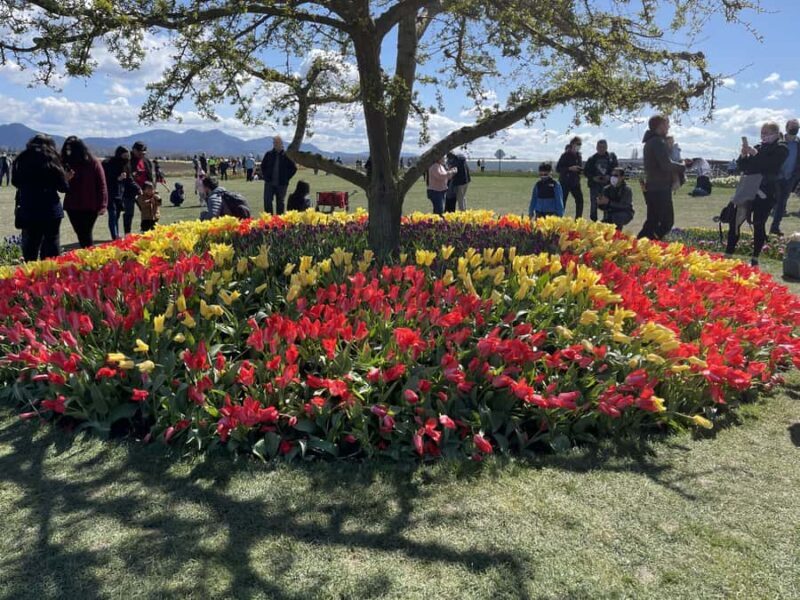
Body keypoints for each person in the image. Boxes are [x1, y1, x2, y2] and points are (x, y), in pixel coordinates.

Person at [726, 122, 789, 266]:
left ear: (775, 133)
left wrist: (756, 154)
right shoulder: (758, 147)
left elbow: (769, 165)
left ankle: (755, 258)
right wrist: (743, 156)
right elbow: (745, 167)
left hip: (766, 192)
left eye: (766, 133)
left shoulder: (781, 148)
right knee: (735, 221)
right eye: (762, 133)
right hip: (748, 189)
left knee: (759, 224)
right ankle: (728, 253)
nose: (764, 135)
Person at [11, 134, 69, 261]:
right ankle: (49, 276)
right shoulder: (52, 158)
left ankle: (29, 277)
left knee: (30, 247)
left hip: (29, 208)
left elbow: (15, 182)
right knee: (51, 248)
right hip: (50, 209)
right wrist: (67, 178)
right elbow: (63, 187)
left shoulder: (22, 158)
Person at [637, 115, 685, 240]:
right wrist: (683, 166)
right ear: (660, 126)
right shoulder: (658, 142)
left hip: (653, 187)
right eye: (666, 124)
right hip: (660, 188)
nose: (668, 127)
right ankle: (649, 243)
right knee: (666, 222)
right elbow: (666, 164)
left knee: (652, 222)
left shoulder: (650, 141)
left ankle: (637, 246)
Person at [61, 136, 108, 248]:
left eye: (70, 150)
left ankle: (90, 258)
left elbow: (102, 184)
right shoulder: (67, 164)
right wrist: (65, 179)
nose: (68, 152)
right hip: (72, 205)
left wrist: (103, 205)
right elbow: (61, 186)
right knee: (81, 234)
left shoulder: (93, 163)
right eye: (67, 150)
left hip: (90, 205)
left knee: (85, 234)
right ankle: (87, 256)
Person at [770, 118, 800, 236]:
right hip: (776, 176)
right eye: (792, 126)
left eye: (797, 127)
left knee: (782, 203)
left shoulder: (798, 145)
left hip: (790, 178)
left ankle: (775, 227)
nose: (795, 129)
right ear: (787, 128)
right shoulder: (779, 141)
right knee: (774, 200)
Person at [261, 136, 297, 215]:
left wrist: (287, 178)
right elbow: (263, 166)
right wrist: (265, 176)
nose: (275, 144)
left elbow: (294, 168)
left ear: (281, 144)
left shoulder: (287, 155)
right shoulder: (268, 154)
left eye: (277, 143)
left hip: (282, 184)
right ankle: (268, 219)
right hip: (269, 183)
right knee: (267, 201)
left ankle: (279, 221)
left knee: (280, 202)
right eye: (274, 143)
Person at [584, 140, 618, 221]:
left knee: (607, 202)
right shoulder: (592, 159)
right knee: (594, 203)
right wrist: (593, 177)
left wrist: (609, 176)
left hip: (608, 185)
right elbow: (586, 172)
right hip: (595, 185)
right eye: (599, 147)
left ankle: (606, 220)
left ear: (606, 147)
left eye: (603, 147)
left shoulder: (611, 158)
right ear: (596, 147)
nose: (601, 149)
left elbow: (616, 169)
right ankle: (594, 220)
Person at [102, 145, 131, 241]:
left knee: (117, 215)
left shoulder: (126, 165)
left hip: (120, 194)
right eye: (125, 156)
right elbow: (104, 179)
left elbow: (129, 180)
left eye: (128, 156)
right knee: (113, 214)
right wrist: (117, 178)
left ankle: (117, 235)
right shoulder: (108, 163)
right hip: (110, 193)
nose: (126, 158)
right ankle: (115, 236)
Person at [556, 137, 584, 218]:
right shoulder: (565, 155)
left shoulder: (579, 156)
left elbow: (579, 167)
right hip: (565, 182)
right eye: (577, 144)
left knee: (580, 201)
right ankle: (559, 220)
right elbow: (558, 168)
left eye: (580, 144)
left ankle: (578, 220)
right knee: (562, 202)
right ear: (572, 144)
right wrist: (569, 168)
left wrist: (580, 170)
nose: (579, 146)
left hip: (575, 182)